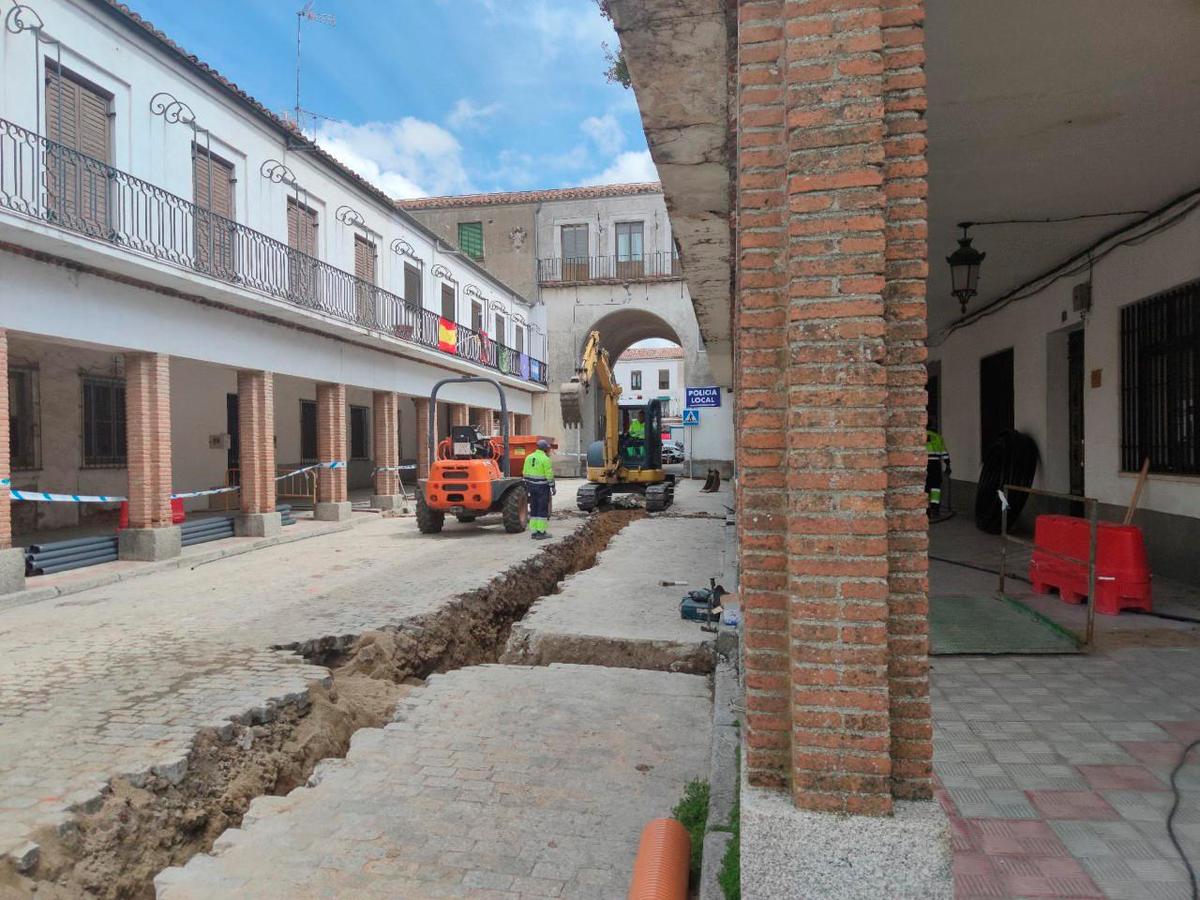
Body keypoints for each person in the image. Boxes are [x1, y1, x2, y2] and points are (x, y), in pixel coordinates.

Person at [523, 437, 555, 540]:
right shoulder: (545, 459)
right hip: (542, 487)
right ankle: (541, 532)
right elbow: (549, 475)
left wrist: (528, 485)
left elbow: (524, 472)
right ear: (545, 449)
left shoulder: (529, 457)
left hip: (531, 486)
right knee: (542, 509)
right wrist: (552, 486)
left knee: (534, 508)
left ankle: (534, 532)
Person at [926, 428, 949, 515]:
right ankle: (935, 508)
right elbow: (944, 452)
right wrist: (948, 465)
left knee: (925, 486)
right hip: (935, 465)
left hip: (923, 464)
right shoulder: (938, 437)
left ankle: (926, 509)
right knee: (935, 486)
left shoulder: (919, 435)